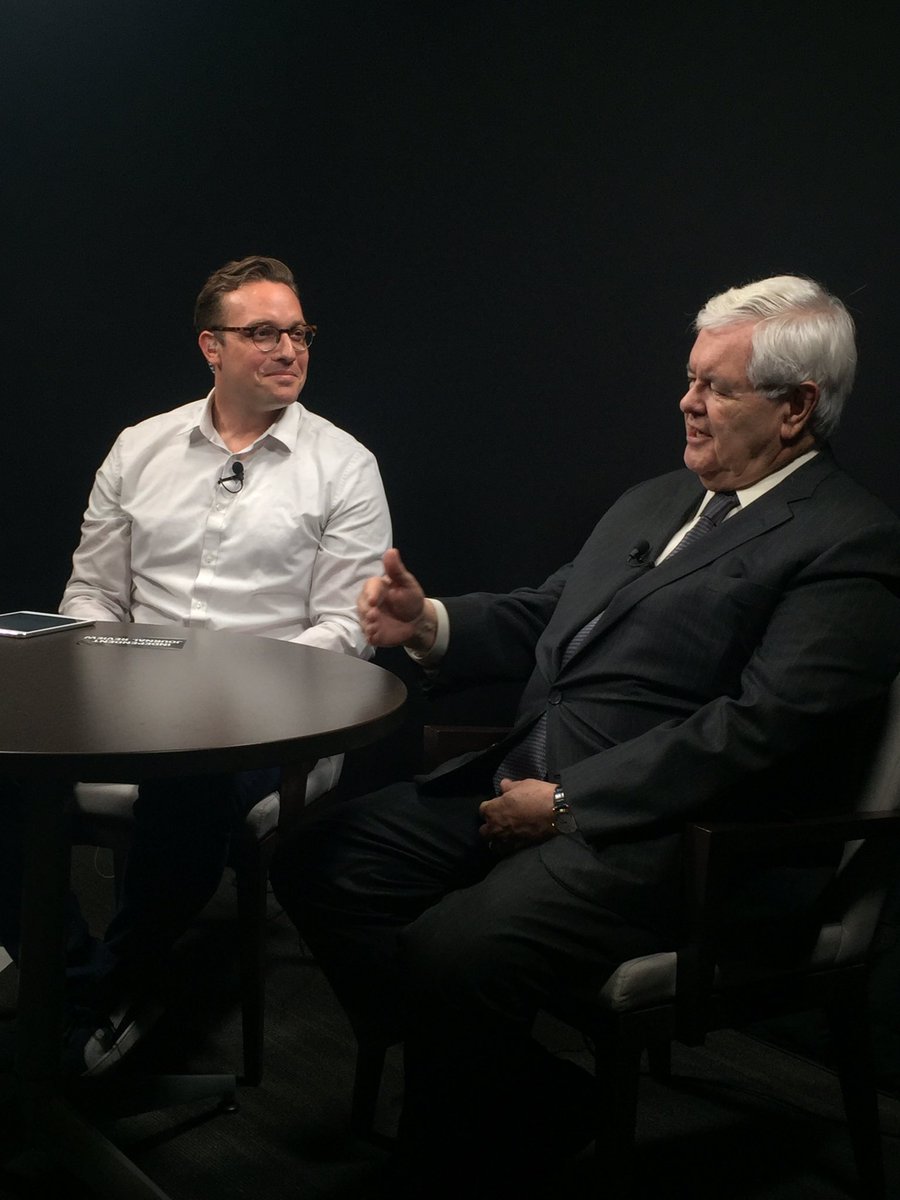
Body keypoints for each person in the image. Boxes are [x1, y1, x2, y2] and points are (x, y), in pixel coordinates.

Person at [269, 274, 900, 1197]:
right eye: (690, 377)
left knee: (454, 954)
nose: (687, 402)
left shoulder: (849, 540)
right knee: (318, 859)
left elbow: (764, 729)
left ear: (797, 408)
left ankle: (450, 1151)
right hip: (524, 780)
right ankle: (533, 1097)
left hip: (667, 836)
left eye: (716, 386)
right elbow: (547, 612)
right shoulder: (655, 500)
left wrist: (569, 803)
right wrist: (427, 622)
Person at [0, 255, 391, 1074]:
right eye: (264, 333)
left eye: (299, 333)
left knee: (190, 778)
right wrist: (107, 674)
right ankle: (74, 979)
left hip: (270, 719)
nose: (289, 349)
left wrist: (223, 690)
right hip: (125, 692)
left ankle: (109, 988)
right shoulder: (140, 447)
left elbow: (342, 629)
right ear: (212, 346)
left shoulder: (344, 465)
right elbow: (92, 591)